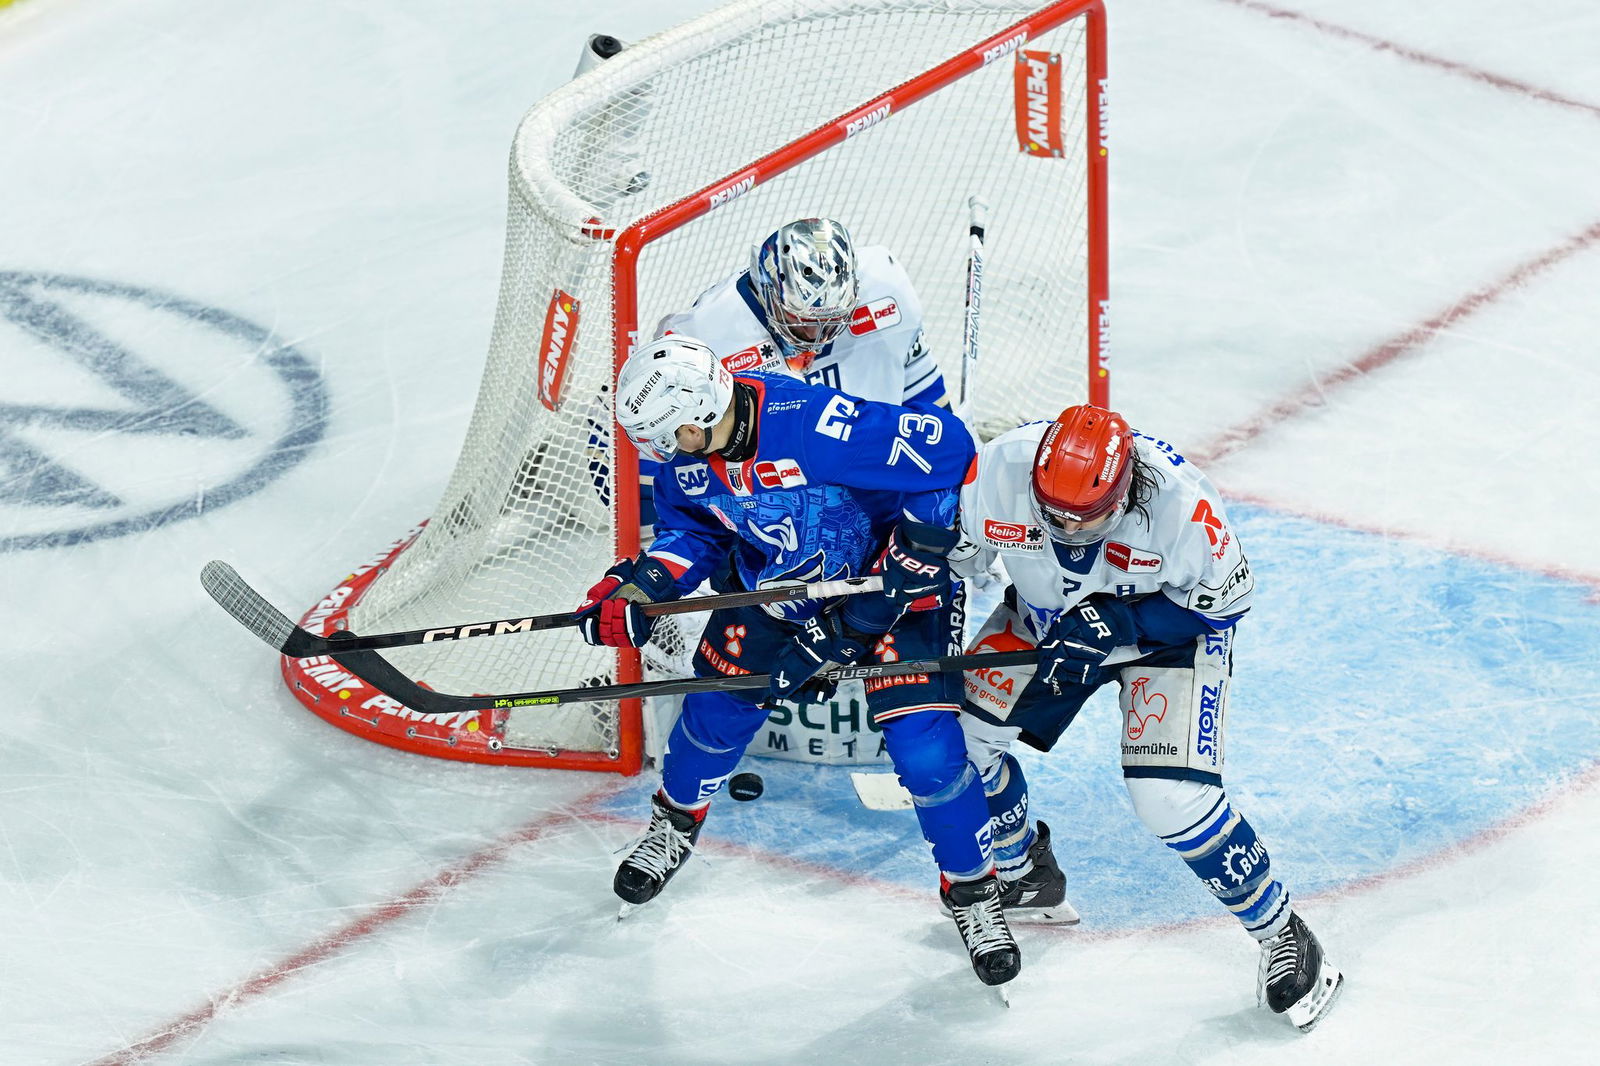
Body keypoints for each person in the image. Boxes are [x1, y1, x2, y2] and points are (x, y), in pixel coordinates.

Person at [576, 335, 1020, 987]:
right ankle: (674, 824)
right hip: (782, 594)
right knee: (713, 713)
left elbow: (949, 449)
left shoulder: (814, 427)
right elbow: (693, 532)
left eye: (670, 435)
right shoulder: (691, 465)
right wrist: (644, 586)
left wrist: (912, 562)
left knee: (926, 752)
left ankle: (975, 896)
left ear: (698, 412)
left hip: (889, 594)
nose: (665, 453)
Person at [950, 403, 1345, 1029]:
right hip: (1048, 622)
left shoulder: (1182, 507)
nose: (1070, 534)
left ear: (1126, 488)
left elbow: (1228, 602)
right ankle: (1025, 872)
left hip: (1168, 638)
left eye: (1087, 520)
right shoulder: (996, 472)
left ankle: (1281, 930)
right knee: (957, 742)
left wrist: (1124, 621)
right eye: (1054, 517)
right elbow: (951, 562)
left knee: (1168, 799)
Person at [644, 219, 954, 765]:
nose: (817, 337)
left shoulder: (887, 292)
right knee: (728, 688)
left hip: (878, 515)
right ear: (766, 291)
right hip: (778, 536)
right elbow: (670, 463)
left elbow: (926, 402)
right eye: (800, 321)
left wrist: (945, 510)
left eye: (831, 321)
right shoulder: (703, 335)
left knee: (918, 710)